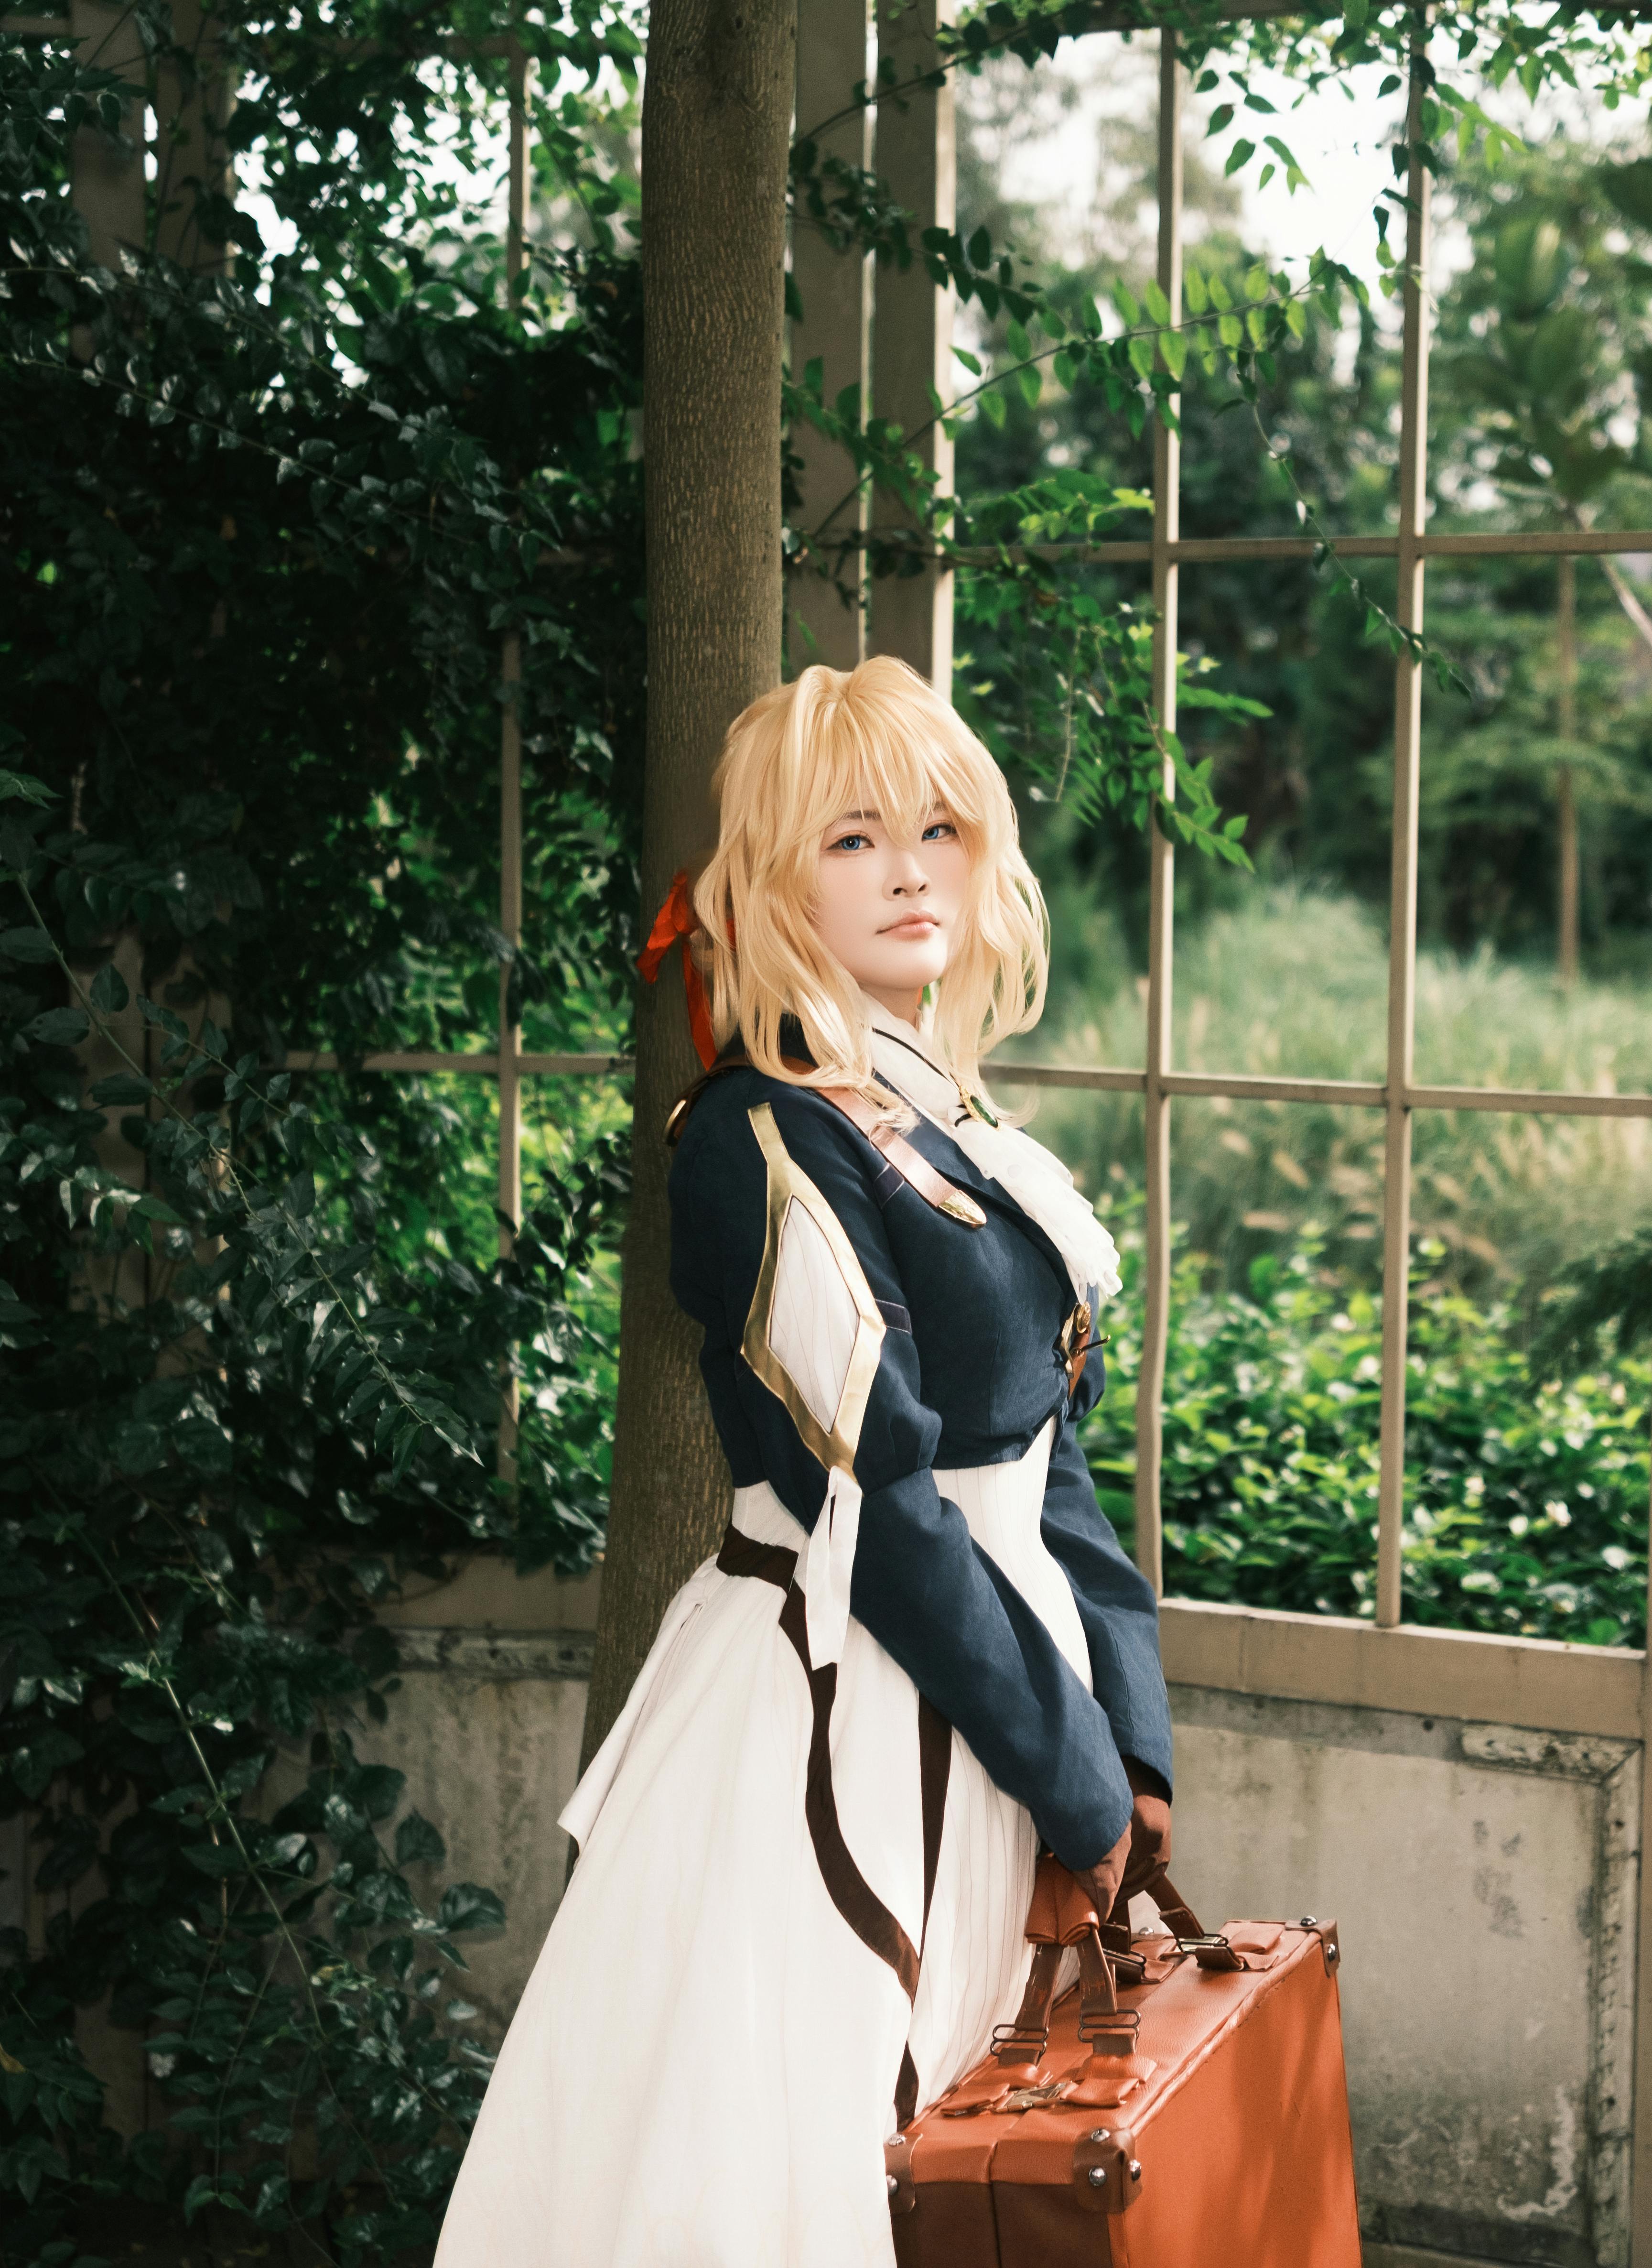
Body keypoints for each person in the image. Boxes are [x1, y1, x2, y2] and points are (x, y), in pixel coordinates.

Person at [432, 657, 1173, 2264]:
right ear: (770, 880)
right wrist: (1078, 1777)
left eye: (940, 827)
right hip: (836, 1707)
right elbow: (891, 1509)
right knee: (812, 2171)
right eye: (854, 838)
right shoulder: (757, 1142)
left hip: (1004, 1718)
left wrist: (1135, 1754)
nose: (913, 869)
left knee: (984, 2169)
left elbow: (1050, 1467)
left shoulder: (957, 1122)